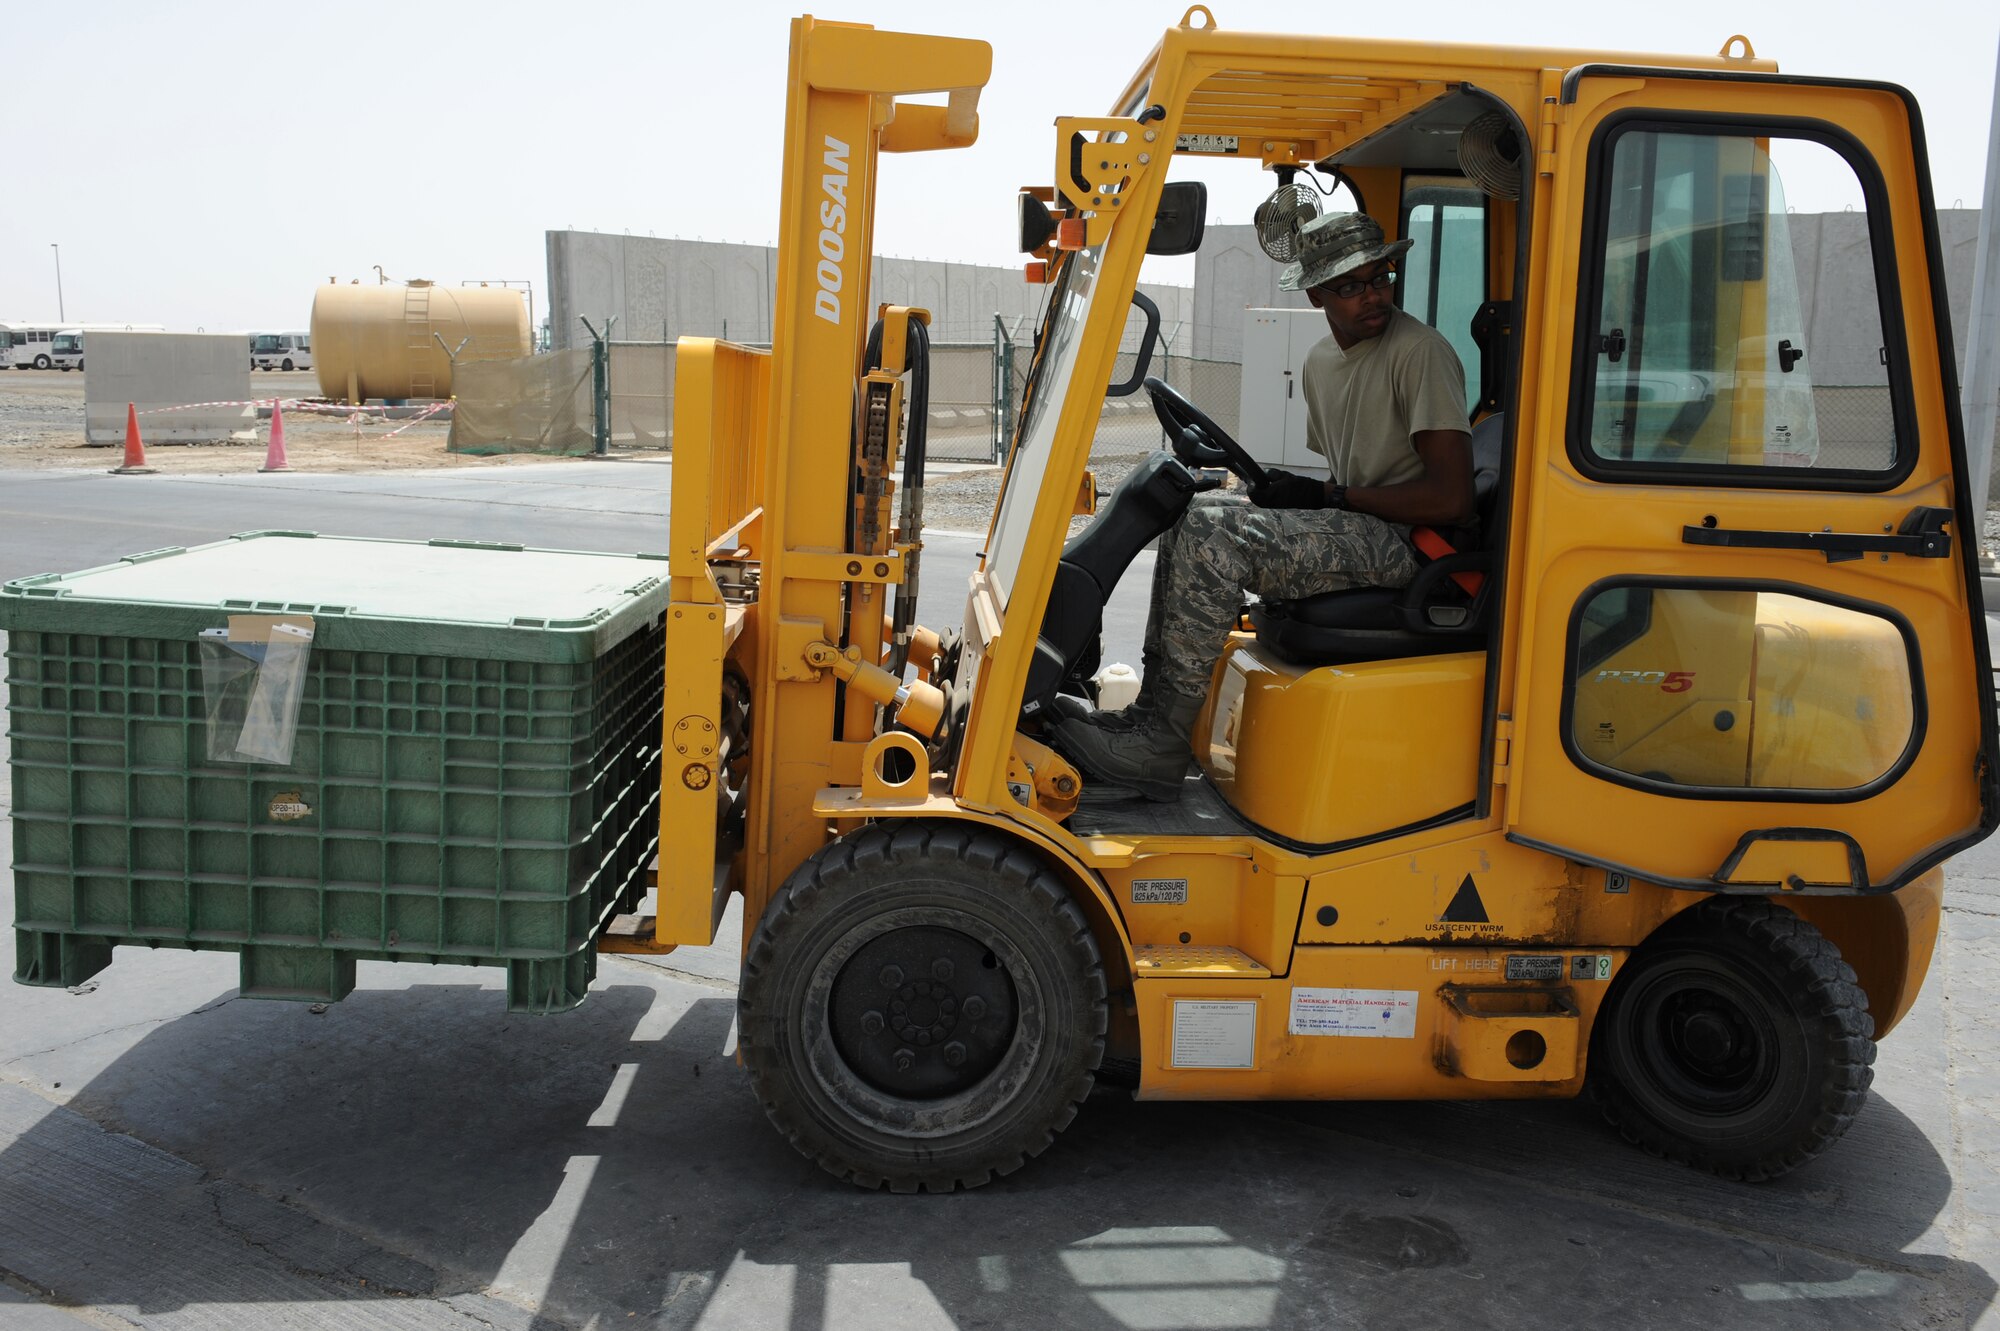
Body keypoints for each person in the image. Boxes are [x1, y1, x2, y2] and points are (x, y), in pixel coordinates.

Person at [1055, 210, 1476, 801]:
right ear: (1316, 293)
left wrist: (1328, 497)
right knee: (1192, 515)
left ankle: (1161, 746)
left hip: (1413, 543)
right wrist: (1290, 494)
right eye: (1350, 286)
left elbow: (1451, 498)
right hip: (1362, 525)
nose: (1372, 295)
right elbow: (1349, 473)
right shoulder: (1321, 363)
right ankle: (1150, 717)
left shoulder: (1420, 353)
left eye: (1381, 277)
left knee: (1216, 537)